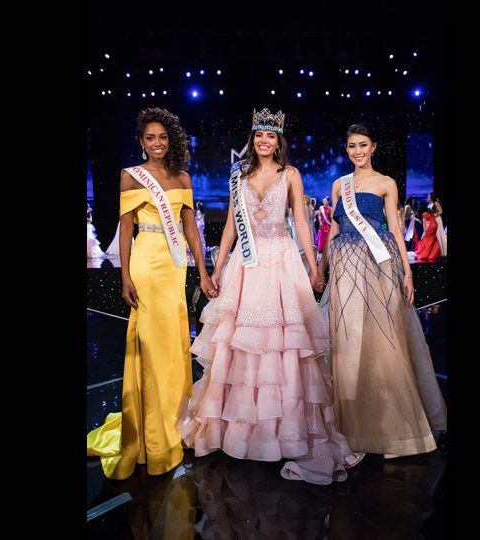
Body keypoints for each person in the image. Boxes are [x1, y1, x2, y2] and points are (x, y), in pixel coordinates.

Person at [180, 108, 362, 485]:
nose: (265, 141)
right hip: (246, 268)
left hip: (281, 262)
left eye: (271, 135)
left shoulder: (290, 174)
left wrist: (315, 266)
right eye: (260, 135)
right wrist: (217, 268)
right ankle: (238, 433)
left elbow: (301, 222)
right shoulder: (238, 175)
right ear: (253, 138)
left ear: (279, 141)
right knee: (243, 345)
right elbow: (231, 228)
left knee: (282, 346)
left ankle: (283, 432)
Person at [87, 107, 214, 480]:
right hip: (145, 262)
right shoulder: (131, 175)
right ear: (141, 142)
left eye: (162, 137)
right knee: (149, 343)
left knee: (173, 344)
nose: (156, 143)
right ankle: (150, 433)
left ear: (170, 139)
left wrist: (203, 271)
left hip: (174, 267)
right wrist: (125, 275)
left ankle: (174, 421)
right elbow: (126, 227)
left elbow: (190, 229)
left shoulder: (182, 177)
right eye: (149, 138)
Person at [319, 123, 447, 458]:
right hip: (345, 267)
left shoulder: (386, 183)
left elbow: (395, 229)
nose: (357, 151)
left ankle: (389, 426)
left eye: (363, 145)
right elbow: (334, 230)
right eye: (352, 146)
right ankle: (349, 423)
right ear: (346, 149)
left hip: (378, 266)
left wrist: (408, 273)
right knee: (347, 339)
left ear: (373, 147)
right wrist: (321, 268)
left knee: (381, 339)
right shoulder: (339, 185)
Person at [427, 192, 447, 257]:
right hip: (432, 220)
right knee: (435, 235)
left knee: (440, 234)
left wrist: (434, 215)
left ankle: (444, 251)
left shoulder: (436, 203)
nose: (428, 197)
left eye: (429, 196)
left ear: (431, 197)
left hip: (437, 219)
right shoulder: (430, 204)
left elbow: (441, 211)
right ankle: (437, 252)